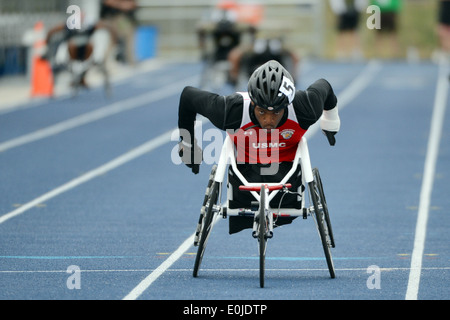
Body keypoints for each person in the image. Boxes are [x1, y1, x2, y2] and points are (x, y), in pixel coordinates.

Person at [177, 60, 340, 233]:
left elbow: (325, 86)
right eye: (262, 112)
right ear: (253, 104)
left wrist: (331, 120)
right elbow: (188, 96)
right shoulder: (230, 110)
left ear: (287, 105)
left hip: (287, 176)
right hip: (244, 172)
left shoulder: (305, 107)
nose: (268, 120)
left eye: (276, 112)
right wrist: (188, 145)